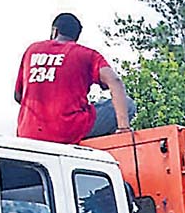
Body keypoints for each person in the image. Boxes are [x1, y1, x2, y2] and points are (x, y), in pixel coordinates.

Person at [14, 12, 135, 144]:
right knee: (128, 104)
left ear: (55, 31)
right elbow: (115, 81)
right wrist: (123, 128)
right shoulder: (87, 54)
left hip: (28, 134)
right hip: (68, 131)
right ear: (75, 37)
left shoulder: (32, 50)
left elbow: (18, 95)